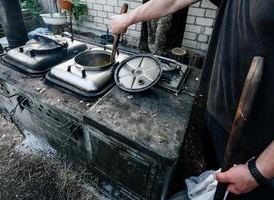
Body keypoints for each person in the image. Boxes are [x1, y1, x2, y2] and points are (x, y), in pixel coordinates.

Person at [109, 0, 274, 199]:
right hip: (218, 116)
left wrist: (258, 171)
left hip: (257, 144)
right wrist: (128, 18)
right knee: (216, 179)